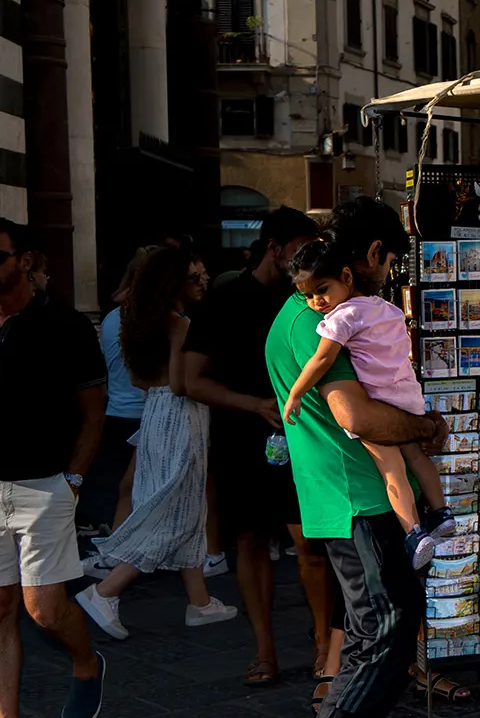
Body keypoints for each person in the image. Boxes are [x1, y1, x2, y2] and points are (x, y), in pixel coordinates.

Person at [255, 197, 442, 718]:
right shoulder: (326, 318)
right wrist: (425, 428)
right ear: (372, 256)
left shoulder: (297, 309)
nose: (388, 276)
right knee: (381, 639)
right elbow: (358, 417)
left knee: (380, 638)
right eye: (388, 263)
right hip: (357, 497)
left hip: (348, 498)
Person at [0, 218, 107, 718]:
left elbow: (92, 410)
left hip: (45, 484)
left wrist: (73, 478)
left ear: (24, 261)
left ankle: (87, 664)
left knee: (45, 609)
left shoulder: (65, 325)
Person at [184, 207, 327, 686]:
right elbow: (189, 381)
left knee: (310, 541)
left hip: (302, 436)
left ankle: (325, 645)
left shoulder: (308, 299)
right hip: (244, 438)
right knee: (251, 541)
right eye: (301, 247)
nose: (310, 258)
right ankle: (264, 649)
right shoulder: (223, 300)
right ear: (275, 248)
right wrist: (252, 404)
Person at [75, 246, 236, 638]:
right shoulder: (180, 324)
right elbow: (184, 385)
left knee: (182, 505)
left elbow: (137, 381)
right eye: (194, 277)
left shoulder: (136, 322)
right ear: (174, 284)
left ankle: (200, 602)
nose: (202, 282)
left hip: (154, 413)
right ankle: (106, 591)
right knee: (170, 508)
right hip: (182, 416)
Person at [283, 238, 453, 565]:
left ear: (346, 277)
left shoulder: (341, 318)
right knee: (417, 458)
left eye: (322, 290)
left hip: (378, 403)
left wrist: (296, 393)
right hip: (407, 394)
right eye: (307, 296)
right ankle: (442, 512)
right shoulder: (387, 308)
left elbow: (321, 361)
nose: (316, 301)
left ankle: (414, 533)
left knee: (392, 472)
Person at [82, 248, 149, 535]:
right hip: (142, 412)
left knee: (120, 485)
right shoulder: (147, 319)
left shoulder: (111, 318)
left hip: (118, 410)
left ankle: (111, 533)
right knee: (131, 489)